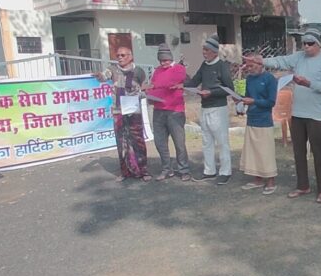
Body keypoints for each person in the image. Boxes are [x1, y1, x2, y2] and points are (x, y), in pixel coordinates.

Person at [246, 29, 321, 203]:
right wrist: (261, 60)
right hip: (298, 113)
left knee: (319, 152)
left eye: (310, 43)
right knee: (298, 152)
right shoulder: (299, 57)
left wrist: (307, 83)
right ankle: (303, 186)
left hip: (316, 115)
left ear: (318, 44)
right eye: (304, 43)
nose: (306, 46)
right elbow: (281, 61)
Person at [94, 46, 151, 182]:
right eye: (118, 55)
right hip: (118, 111)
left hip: (134, 111)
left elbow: (145, 88)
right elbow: (103, 76)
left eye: (123, 55)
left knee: (138, 141)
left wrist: (141, 94)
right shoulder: (112, 70)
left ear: (130, 57)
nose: (120, 58)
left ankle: (143, 171)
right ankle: (125, 172)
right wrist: (99, 76)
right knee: (122, 142)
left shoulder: (138, 71)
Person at [184, 35, 235, 185]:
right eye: (203, 50)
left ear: (214, 52)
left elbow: (229, 89)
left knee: (222, 141)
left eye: (206, 50)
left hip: (218, 108)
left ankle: (225, 172)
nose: (204, 53)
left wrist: (211, 92)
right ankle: (209, 170)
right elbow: (194, 81)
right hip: (205, 107)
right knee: (206, 141)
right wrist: (182, 83)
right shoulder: (204, 65)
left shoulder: (221, 66)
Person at [147, 43, 190, 182]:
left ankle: (184, 169)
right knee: (160, 142)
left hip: (175, 111)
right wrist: (149, 93)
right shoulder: (157, 71)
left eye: (165, 60)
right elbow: (153, 85)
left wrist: (155, 86)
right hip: (158, 110)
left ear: (171, 58)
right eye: (161, 60)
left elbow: (171, 83)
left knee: (179, 142)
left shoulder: (179, 69)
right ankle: (166, 169)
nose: (163, 63)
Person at [238, 55, 278, 195]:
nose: (249, 69)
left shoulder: (270, 79)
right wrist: (241, 102)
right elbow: (248, 96)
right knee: (253, 151)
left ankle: (271, 180)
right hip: (252, 118)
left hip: (264, 120)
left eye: (251, 66)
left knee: (265, 151)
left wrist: (254, 101)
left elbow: (271, 102)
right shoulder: (249, 79)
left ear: (260, 64)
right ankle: (257, 179)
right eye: (247, 66)